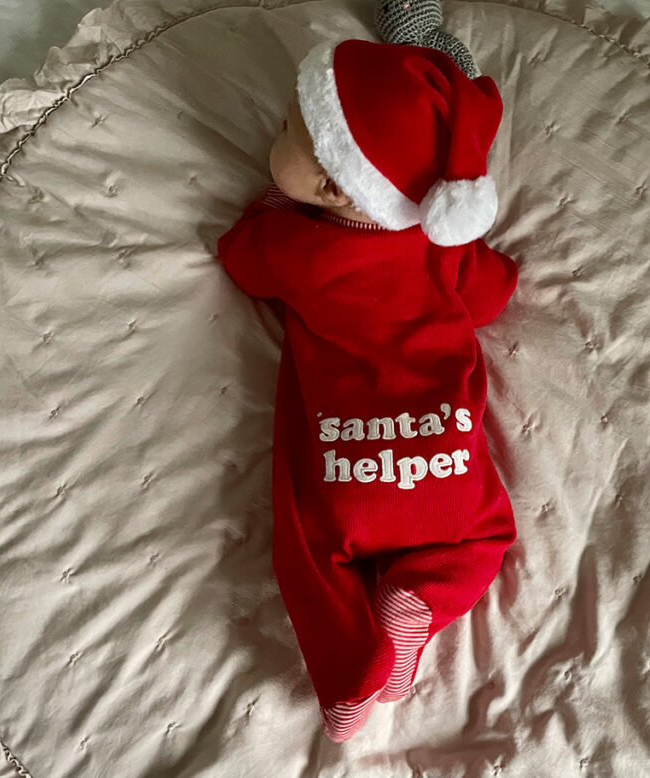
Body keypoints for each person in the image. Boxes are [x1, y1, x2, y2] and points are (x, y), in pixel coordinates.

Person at [217, 36, 518, 742]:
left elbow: (239, 257)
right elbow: (496, 291)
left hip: (347, 471)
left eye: (290, 130)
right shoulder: (443, 255)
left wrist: (269, 208)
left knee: (307, 550)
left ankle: (348, 670)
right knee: (487, 534)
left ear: (331, 189)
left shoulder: (297, 252)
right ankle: (425, 593)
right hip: (443, 465)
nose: (275, 132)